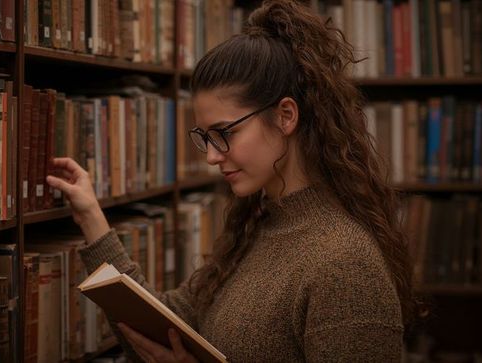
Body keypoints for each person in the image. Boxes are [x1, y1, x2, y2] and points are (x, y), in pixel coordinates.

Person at [46, 0, 415, 361]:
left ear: (285, 116)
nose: (211, 156)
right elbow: (167, 327)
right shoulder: (256, 228)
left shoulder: (346, 265)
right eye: (205, 137)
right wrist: (91, 218)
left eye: (225, 133)